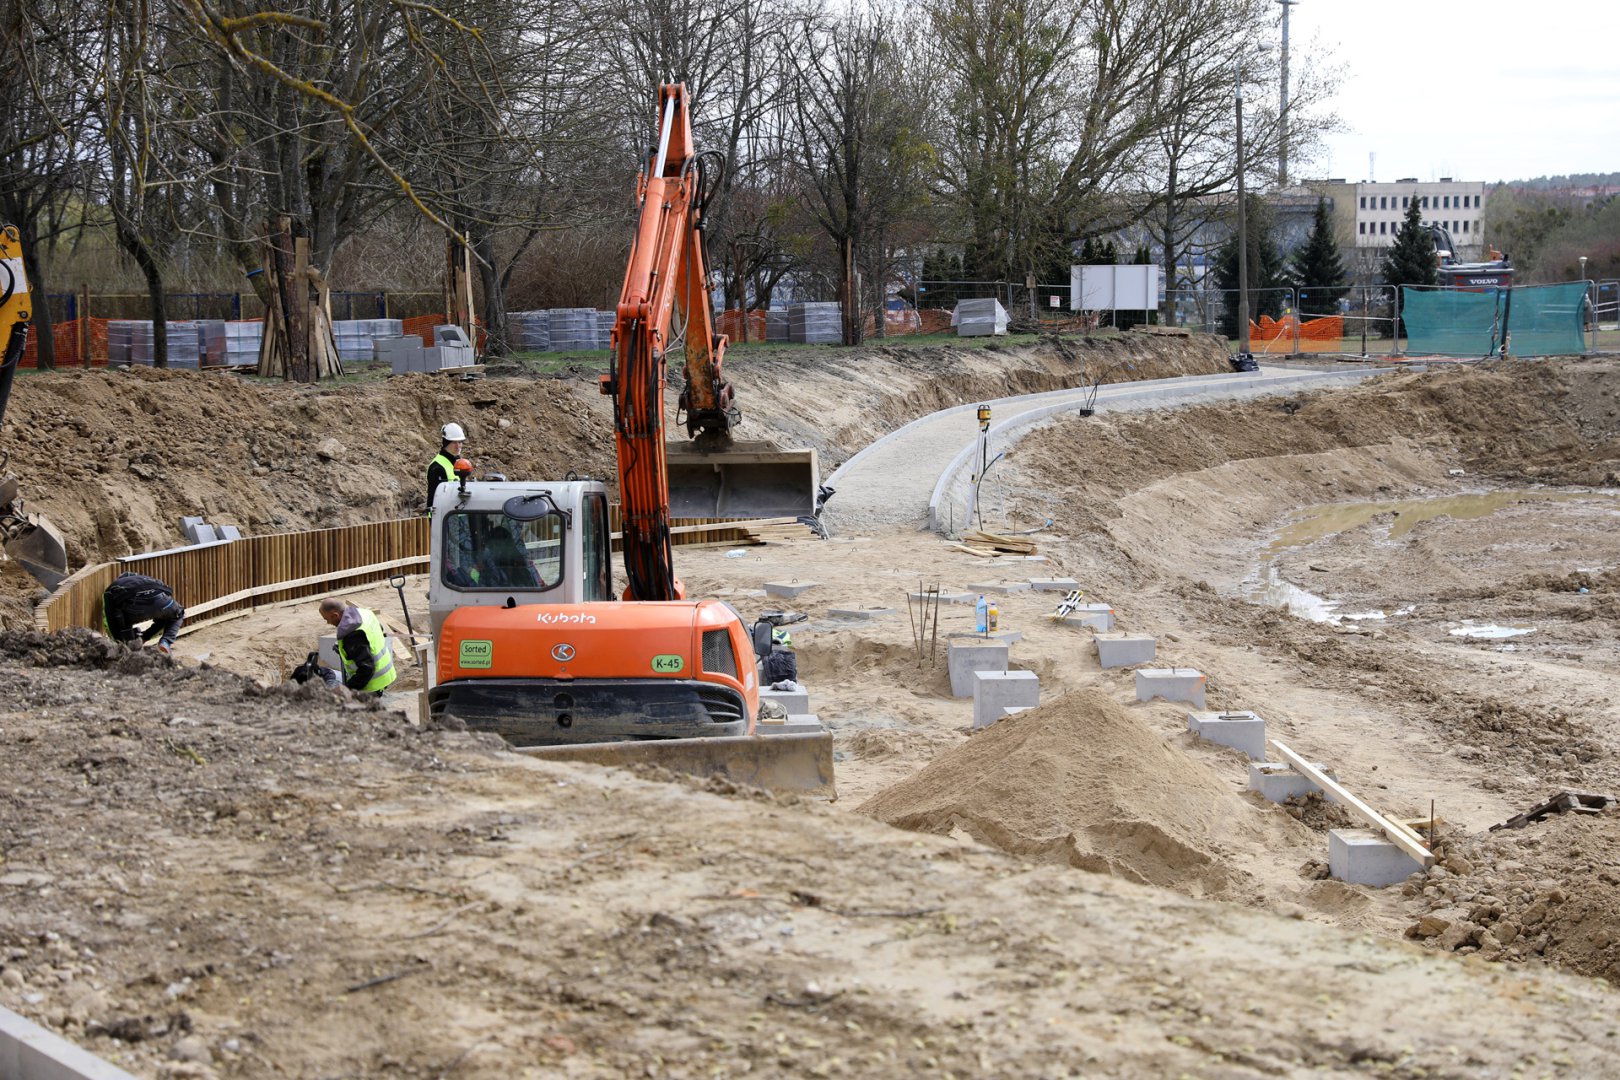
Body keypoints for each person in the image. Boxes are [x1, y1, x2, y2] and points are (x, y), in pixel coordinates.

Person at [317, 597, 398, 695]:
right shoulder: (364, 613)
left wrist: (345, 689)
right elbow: (378, 631)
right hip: (386, 675)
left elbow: (366, 669)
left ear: (335, 615)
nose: (328, 623)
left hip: (371, 684)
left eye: (327, 619)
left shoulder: (352, 634)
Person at [102, 572, 185, 656]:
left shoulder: (112, 588)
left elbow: (110, 619)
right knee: (178, 614)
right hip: (161, 601)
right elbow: (169, 591)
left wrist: (118, 641)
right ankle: (165, 641)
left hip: (133, 608)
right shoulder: (149, 579)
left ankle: (129, 647)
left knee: (122, 620)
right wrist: (145, 637)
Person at [426, 422, 467, 510]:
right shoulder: (437, 467)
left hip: (458, 514)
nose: (458, 446)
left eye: (460, 442)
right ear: (446, 443)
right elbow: (433, 498)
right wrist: (433, 520)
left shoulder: (458, 462)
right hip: (445, 517)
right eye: (454, 443)